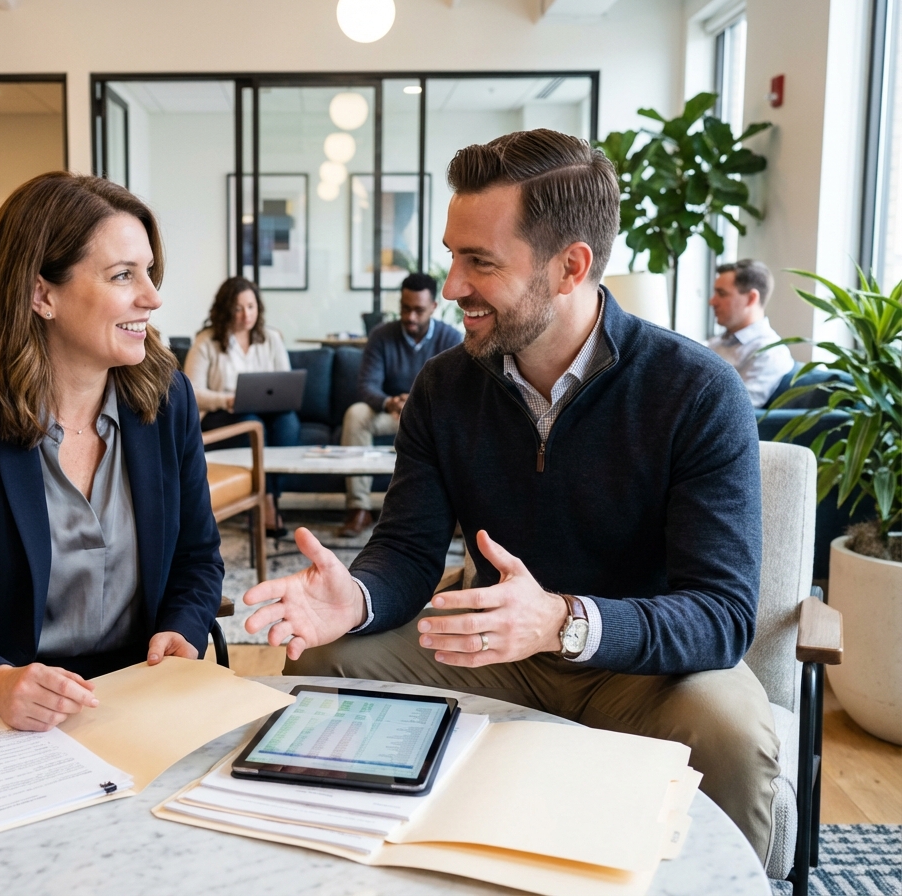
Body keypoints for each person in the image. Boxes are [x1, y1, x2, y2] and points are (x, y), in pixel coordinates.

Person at [243, 129, 780, 864]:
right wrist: (357, 600)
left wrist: (562, 620)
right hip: (488, 645)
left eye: (479, 262)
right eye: (453, 255)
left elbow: (720, 616)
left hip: (640, 667)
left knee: (732, 733)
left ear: (570, 266)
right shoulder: (443, 386)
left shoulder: (695, 391)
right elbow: (405, 549)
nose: (452, 286)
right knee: (326, 663)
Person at [0, 173, 223, 730]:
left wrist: (183, 626)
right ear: (41, 294)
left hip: (130, 696)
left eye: (148, 272)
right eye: (123, 275)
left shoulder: (166, 400)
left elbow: (197, 557)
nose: (152, 297)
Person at [337, 272, 462, 536]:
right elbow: (367, 385)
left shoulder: (451, 338)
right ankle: (358, 508)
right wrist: (390, 402)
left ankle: (457, 513)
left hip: (431, 415)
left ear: (433, 308)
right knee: (356, 414)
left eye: (418, 310)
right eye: (405, 309)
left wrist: (419, 404)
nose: (410, 317)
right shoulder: (382, 336)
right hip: (391, 412)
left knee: (462, 420)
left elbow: (457, 390)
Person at [184, 276, 299, 533]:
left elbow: (285, 381)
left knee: (288, 422)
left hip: (267, 411)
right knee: (252, 425)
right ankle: (266, 506)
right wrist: (226, 399)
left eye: (251, 306)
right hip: (223, 414)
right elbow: (191, 392)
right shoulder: (206, 341)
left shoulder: (271, 338)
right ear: (225, 309)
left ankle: (269, 500)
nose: (246, 315)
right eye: (238, 308)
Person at [707, 259, 795, 408]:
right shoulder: (716, 343)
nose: (712, 302)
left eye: (721, 294)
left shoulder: (769, 351)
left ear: (751, 298)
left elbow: (738, 410)